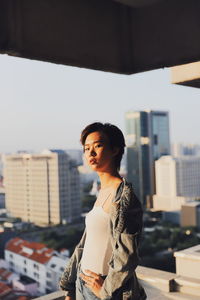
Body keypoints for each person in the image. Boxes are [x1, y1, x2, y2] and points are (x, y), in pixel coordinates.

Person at [59, 122, 147, 300]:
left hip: (104, 290)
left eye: (98, 146)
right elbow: (87, 243)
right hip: (82, 283)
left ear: (115, 150)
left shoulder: (124, 198)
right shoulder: (102, 191)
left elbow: (127, 255)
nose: (90, 153)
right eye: (86, 148)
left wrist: (105, 291)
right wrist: (71, 286)